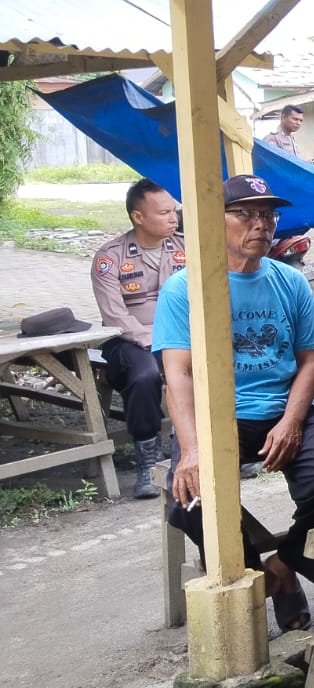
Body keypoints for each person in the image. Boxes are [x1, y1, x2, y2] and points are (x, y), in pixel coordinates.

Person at [154, 174, 314, 633]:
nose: (260, 224)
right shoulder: (186, 288)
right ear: (212, 221)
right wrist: (193, 450)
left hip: (285, 407)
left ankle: (282, 568)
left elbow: (309, 362)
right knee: (190, 497)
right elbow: (177, 373)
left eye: (267, 215)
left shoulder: (290, 282)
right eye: (245, 214)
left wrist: (292, 422)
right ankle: (251, 572)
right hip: (221, 417)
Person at [89, 178, 185, 498]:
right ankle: (148, 461)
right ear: (138, 217)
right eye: (163, 213)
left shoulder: (187, 248)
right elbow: (114, 315)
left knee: (219, 362)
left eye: (174, 211)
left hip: (180, 337)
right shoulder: (110, 257)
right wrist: (152, 341)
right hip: (128, 342)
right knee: (144, 375)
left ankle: (228, 445)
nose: (173, 218)